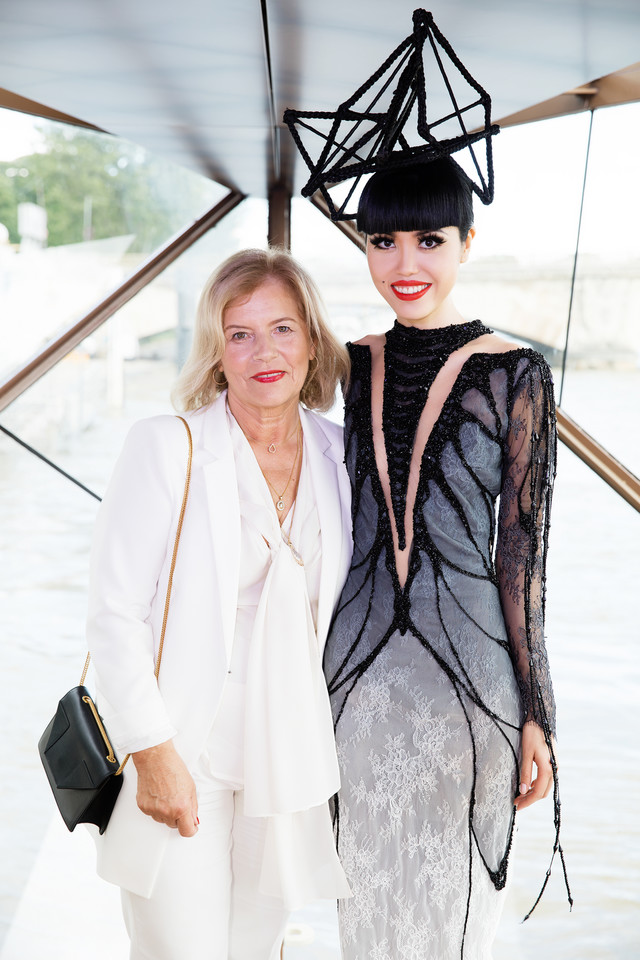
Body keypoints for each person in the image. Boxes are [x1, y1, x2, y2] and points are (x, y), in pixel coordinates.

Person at [322, 157, 562, 959]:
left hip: (471, 688)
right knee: (362, 912)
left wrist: (540, 713)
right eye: (382, 240)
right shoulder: (347, 364)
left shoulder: (516, 371)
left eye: (429, 239)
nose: (404, 264)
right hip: (349, 685)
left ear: (467, 240)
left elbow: (522, 558)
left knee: (451, 920)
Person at [86, 247, 352, 960]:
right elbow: (114, 614)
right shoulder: (167, 447)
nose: (264, 351)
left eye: (283, 329)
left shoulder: (341, 455)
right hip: (184, 751)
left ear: (312, 340)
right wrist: (153, 754)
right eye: (240, 333)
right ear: (216, 351)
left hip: (284, 759)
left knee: (257, 952)